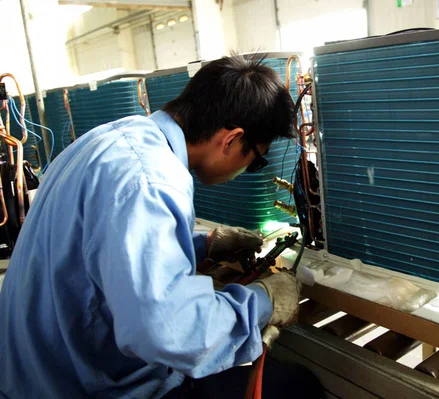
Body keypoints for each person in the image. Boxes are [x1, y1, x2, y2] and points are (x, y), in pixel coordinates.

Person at [0, 55, 322, 398]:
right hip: (78, 386)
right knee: (298, 386)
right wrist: (264, 301)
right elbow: (169, 332)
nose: (249, 168)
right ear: (231, 140)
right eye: (255, 160)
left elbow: (100, 247)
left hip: (31, 372)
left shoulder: (109, 140)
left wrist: (203, 244)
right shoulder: (152, 181)